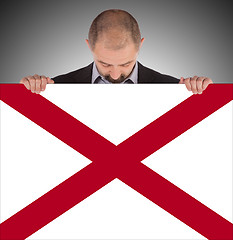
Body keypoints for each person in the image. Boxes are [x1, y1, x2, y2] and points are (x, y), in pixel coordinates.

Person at [20, 9, 213, 94]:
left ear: (140, 46)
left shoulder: (173, 89)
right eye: (104, 63)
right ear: (89, 46)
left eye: (125, 64)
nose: (115, 75)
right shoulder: (56, 89)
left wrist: (203, 93)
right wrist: (27, 93)